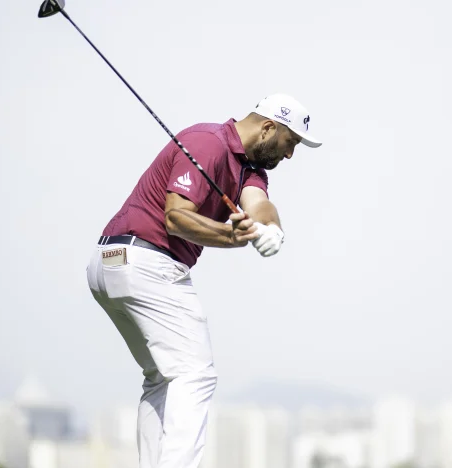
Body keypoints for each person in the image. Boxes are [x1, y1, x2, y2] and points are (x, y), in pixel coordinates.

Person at [85, 93, 321, 468]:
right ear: (268, 127)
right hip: (147, 262)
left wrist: (270, 228)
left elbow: (258, 204)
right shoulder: (207, 143)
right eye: (290, 143)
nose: (289, 155)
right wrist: (230, 236)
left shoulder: (250, 169)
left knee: (163, 378)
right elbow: (176, 217)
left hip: (113, 263)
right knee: (195, 374)